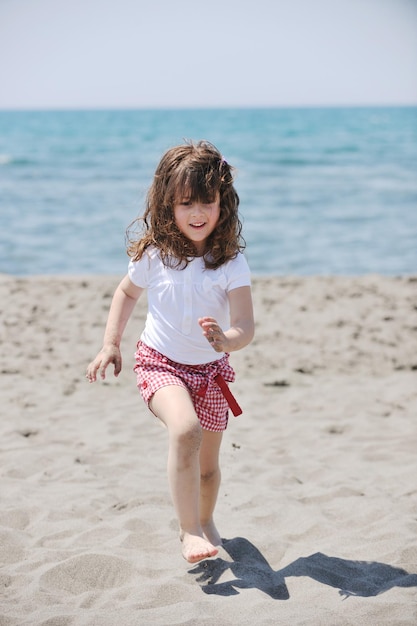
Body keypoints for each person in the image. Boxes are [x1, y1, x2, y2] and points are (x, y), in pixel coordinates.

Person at [86, 140, 254, 564]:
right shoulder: (155, 255)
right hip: (159, 363)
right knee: (185, 431)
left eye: (208, 202)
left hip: (211, 371)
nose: (198, 214)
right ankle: (188, 530)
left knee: (209, 469)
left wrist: (227, 340)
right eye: (185, 204)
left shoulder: (230, 263)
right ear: (167, 205)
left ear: (223, 203)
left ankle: (206, 518)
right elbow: (125, 294)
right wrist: (111, 343)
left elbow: (246, 326)